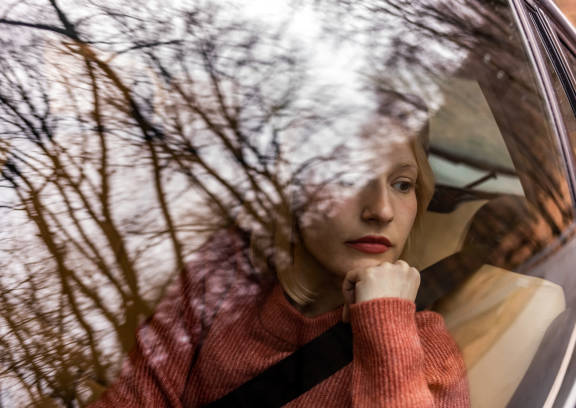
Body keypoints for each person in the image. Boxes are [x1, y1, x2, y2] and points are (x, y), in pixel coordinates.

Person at [88, 104, 470, 407]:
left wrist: (385, 325)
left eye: (403, 184)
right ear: (293, 192)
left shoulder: (427, 353)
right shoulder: (223, 279)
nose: (382, 210)